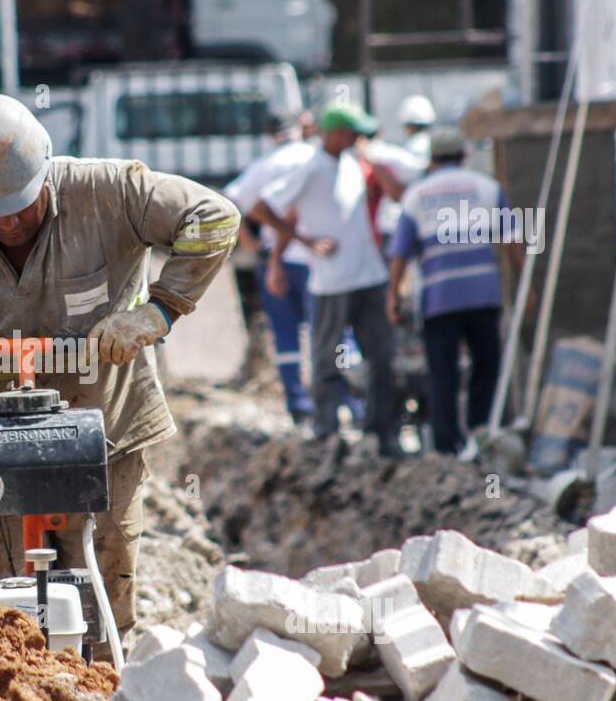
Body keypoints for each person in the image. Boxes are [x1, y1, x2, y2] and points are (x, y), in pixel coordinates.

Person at [0, 94, 239, 660]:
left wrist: (157, 311)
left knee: (102, 581)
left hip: (106, 425)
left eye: (20, 205)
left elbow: (214, 217)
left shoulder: (110, 193)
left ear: (46, 174)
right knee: (0, 595)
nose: (8, 222)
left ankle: (106, 691)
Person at [251, 102, 400, 456]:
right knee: (327, 359)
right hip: (333, 282)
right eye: (351, 132)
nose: (357, 138)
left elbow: (397, 192)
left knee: (382, 357)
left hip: (369, 277)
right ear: (335, 133)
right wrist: (302, 243)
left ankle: (382, 431)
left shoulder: (352, 162)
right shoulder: (311, 168)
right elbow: (262, 207)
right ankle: (326, 429)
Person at [386, 126, 527, 455]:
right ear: (463, 156)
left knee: (442, 371)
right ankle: (481, 433)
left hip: (440, 299)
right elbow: (513, 240)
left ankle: (446, 445)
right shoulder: (488, 188)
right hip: (483, 294)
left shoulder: (416, 196)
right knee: (486, 364)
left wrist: (393, 294)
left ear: (432, 159)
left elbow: (400, 253)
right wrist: (525, 287)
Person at [225, 114, 314, 420]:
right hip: (316, 258)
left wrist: (250, 243)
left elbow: (230, 200)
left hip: (275, 261)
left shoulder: (263, 166)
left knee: (285, 333)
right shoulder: (315, 158)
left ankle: (299, 404)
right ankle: (337, 400)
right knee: (328, 331)